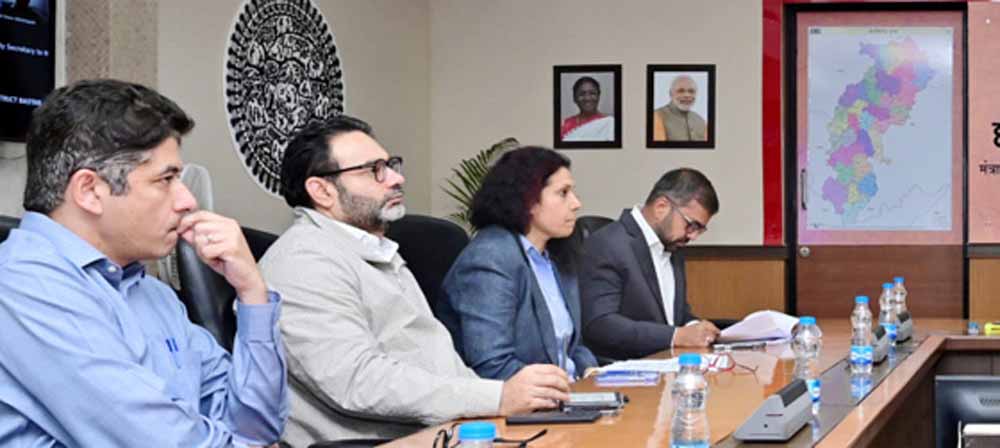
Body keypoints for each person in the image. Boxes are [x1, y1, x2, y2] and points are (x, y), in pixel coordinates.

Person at [0, 79, 288, 446]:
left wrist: (252, 293)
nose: (187, 201)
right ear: (90, 191)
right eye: (166, 179)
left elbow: (257, 428)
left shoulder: (152, 293)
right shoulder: (24, 286)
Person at [260, 116, 571, 445]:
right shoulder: (302, 261)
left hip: (445, 432)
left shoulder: (375, 250)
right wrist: (496, 397)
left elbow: (438, 363)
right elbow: (356, 380)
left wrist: (500, 402)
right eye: (374, 169)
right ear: (322, 191)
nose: (397, 178)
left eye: (390, 165)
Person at [438, 146, 598, 381]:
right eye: (563, 193)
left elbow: (571, 346)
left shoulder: (557, 253)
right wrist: (561, 387)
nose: (576, 203)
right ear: (528, 199)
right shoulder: (490, 258)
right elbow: (491, 365)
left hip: (569, 392)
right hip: (522, 398)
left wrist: (590, 371)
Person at [580, 168, 720, 361]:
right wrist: (676, 336)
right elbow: (600, 324)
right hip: (625, 369)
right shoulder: (607, 244)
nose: (693, 236)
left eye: (699, 230)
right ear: (661, 207)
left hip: (668, 365)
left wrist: (695, 327)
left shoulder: (673, 246)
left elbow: (675, 316)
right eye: (691, 225)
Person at [652, 75, 708, 142]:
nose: (687, 95)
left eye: (691, 91)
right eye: (680, 91)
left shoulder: (701, 121)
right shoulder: (657, 116)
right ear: (671, 94)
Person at [560, 76, 615, 141]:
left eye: (592, 93)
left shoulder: (610, 124)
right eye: (581, 94)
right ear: (574, 98)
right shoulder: (564, 125)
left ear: (598, 96)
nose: (587, 98)